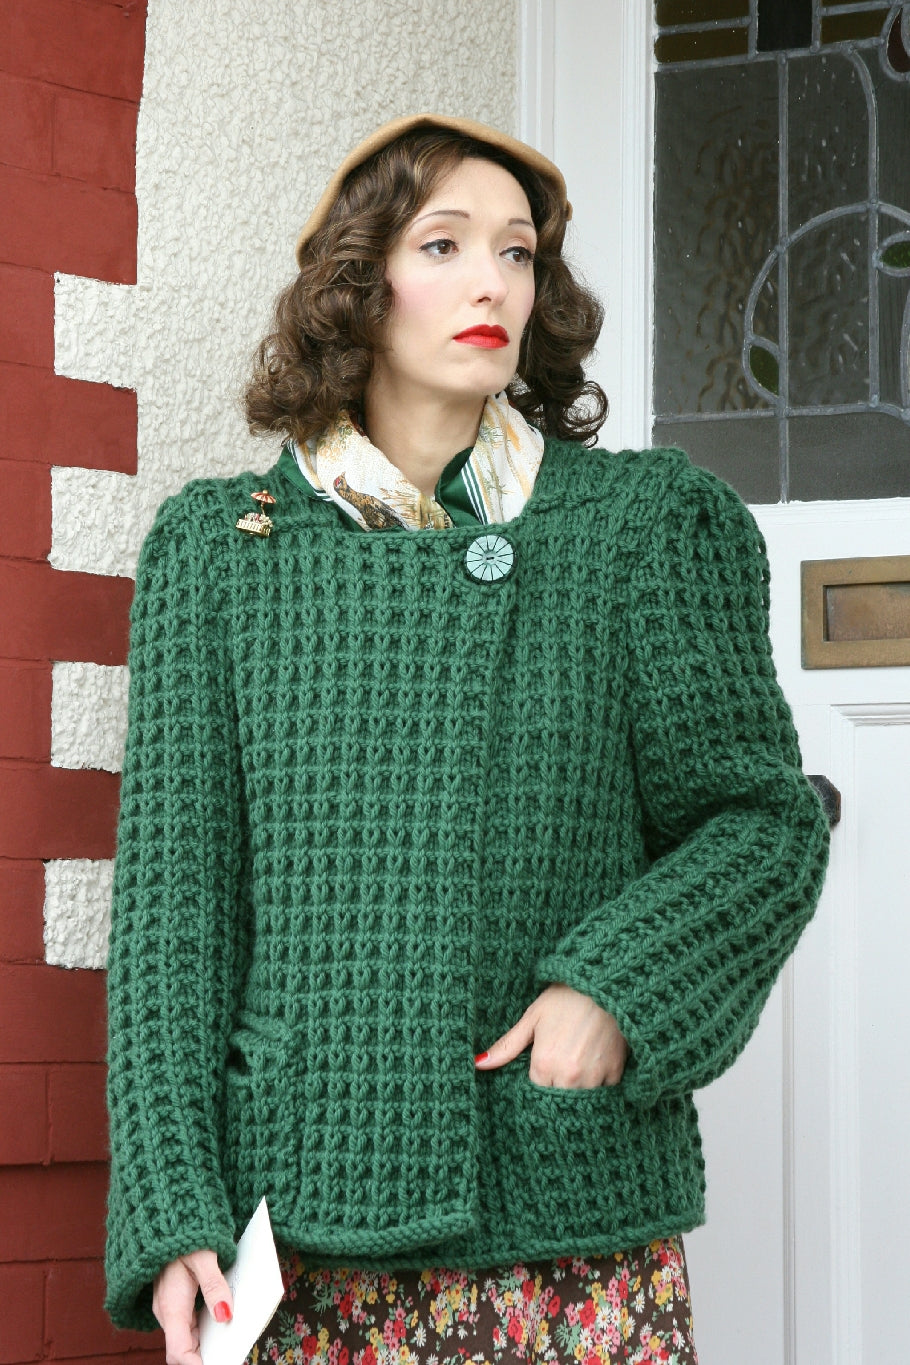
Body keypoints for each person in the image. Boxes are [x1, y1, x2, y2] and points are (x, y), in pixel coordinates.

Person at [104, 115, 830, 1365]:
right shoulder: (219, 553)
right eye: (443, 244)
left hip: (559, 1221)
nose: (492, 281)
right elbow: (177, 909)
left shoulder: (644, 525)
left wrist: (617, 988)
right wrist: (170, 1204)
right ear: (355, 282)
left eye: (517, 252)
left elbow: (759, 822)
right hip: (303, 1228)